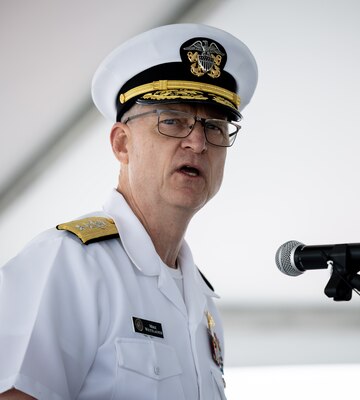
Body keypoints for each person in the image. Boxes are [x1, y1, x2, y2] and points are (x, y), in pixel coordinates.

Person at [0, 23, 258, 400]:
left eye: (215, 126)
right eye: (173, 120)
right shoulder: (69, 262)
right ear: (122, 144)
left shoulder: (203, 304)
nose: (199, 142)